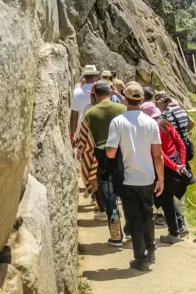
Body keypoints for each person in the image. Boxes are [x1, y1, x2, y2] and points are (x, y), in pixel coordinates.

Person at [106, 82, 163, 271]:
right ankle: (151, 250)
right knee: (148, 215)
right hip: (148, 177)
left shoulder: (118, 122)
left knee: (134, 219)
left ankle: (141, 258)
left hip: (128, 178)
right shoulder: (151, 123)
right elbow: (157, 155)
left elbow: (110, 153)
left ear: (125, 99)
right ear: (142, 100)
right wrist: (161, 179)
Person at [80, 80, 127, 246]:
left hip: (103, 163)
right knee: (128, 197)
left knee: (110, 200)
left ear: (94, 95)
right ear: (111, 92)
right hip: (125, 160)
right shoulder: (123, 109)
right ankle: (131, 232)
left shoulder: (90, 114)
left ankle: (116, 236)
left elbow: (83, 142)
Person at [142, 103, 188, 243]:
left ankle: (174, 233)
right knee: (168, 197)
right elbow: (180, 144)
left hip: (163, 166)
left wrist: (175, 166)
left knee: (165, 199)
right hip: (174, 163)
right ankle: (181, 225)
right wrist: (181, 164)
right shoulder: (166, 123)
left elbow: (158, 154)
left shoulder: (151, 128)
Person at [70, 65, 100, 143]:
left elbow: (74, 116)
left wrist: (72, 135)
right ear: (95, 77)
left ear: (84, 77)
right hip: (98, 130)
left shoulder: (77, 91)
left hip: (82, 130)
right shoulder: (100, 91)